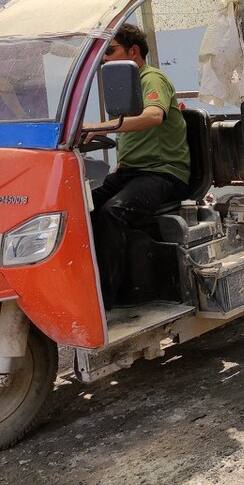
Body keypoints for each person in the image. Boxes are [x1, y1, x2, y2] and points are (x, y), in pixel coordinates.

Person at [84, 24, 190, 308]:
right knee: (80, 208)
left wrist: (100, 126)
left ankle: (105, 300)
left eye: (110, 51)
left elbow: (153, 116)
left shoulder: (151, 78)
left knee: (112, 212)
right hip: (132, 172)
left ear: (133, 51)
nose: (104, 59)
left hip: (163, 172)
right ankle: (83, 284)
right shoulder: (124, 85)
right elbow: (131, 131)